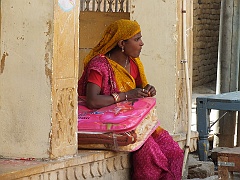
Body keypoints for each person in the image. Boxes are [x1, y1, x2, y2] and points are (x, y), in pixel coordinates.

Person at [78, 19, 184, 180]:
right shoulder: (99, 65)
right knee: (153, 158)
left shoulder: (134, 62)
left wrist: (148, 90)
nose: (142, 43)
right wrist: (126, 96)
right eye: (137, 39)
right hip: (111, 126)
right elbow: (92, 101)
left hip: (137, 124)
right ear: (122, 43)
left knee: (174, 152)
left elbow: (138, 89)